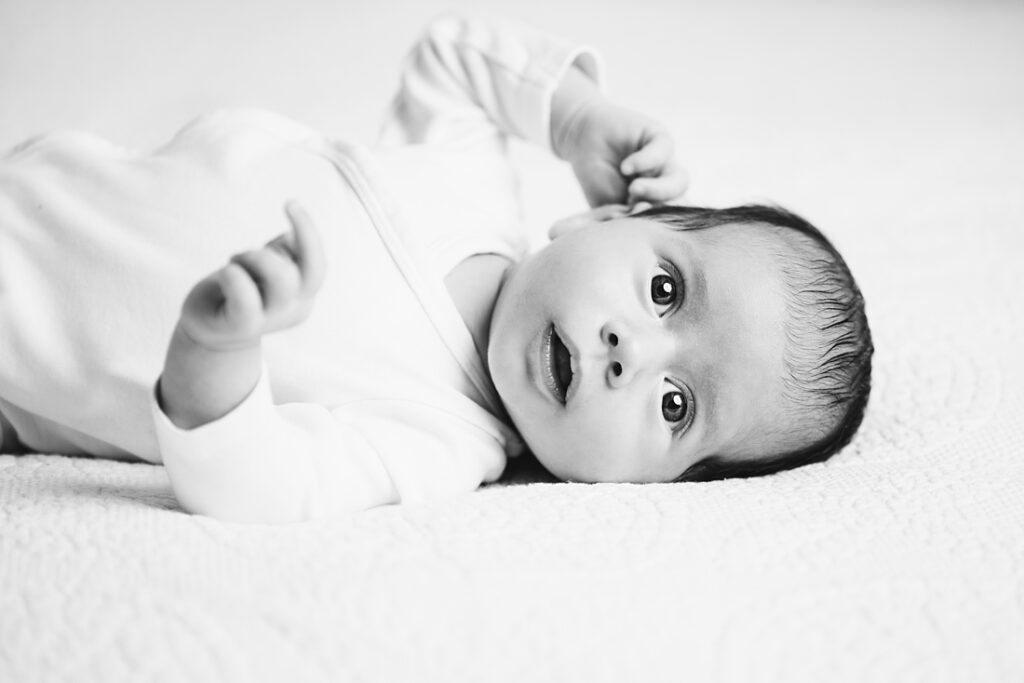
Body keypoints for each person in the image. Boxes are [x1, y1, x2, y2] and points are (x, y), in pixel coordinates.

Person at [0, 15, 872, 522]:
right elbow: (452, 55)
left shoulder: (441, 444)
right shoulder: (471, 179)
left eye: (676, 405)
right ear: (604, 216)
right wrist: (575, 117)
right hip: (40, 181)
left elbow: (258, 482)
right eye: (665, 289)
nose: (630, 350)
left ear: (658, 487)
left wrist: (217, 353)